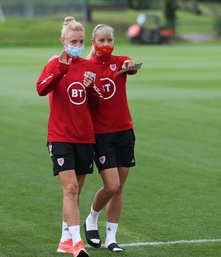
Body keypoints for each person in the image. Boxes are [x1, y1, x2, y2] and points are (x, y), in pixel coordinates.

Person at [36, 16, 103, 257]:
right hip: (60, 136)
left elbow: (96, 105)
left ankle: (65, 238)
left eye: (81, 41)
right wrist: (61, 68)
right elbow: (41, 88)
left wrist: (91, 88)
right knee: (71, 188)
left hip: (85, 136)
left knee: (77, 189)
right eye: (73, 41)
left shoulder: (88, 67)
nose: (77, 45)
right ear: (63, 41)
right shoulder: (54, 63)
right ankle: (77, 243)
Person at [83, 24, 139, 252]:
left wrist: (130, 65)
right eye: (101, 41)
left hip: (124, 131)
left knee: (120, 187)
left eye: (109, 40)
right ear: (94, 42)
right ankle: (92, 218)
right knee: (112, 185)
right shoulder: (87, 66)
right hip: (101, 134)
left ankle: (111, 239)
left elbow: (133, 68)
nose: (106, 45)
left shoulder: (120, 61)